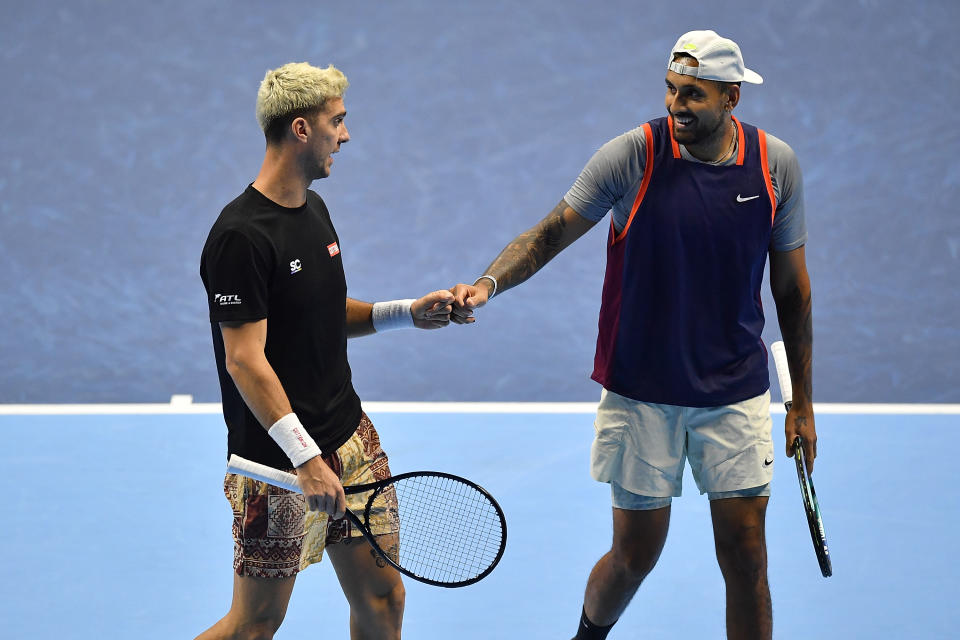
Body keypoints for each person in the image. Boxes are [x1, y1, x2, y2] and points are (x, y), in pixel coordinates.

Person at [450, 31, 816, 640]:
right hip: (641, 389)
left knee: (747, 554)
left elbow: (793, 291)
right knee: (635, 555)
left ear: (731, 99)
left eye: (693, 94)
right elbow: (548, 235)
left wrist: (802, 402)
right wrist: (487, 284)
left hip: (734, 389)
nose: (676, 105)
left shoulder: (775, 165)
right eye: (671, 90)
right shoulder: (633, 156)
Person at [197, 62, 454, 640]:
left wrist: (405, 314)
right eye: (337, 121)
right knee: (256, 623)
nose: (346, 134)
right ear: (301, 129)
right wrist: (305, 458)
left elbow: (324, 313)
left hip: (349, 437)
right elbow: (245, 357)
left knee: (384, 599)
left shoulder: (313, 210)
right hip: (278, 465)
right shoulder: (240, 236)